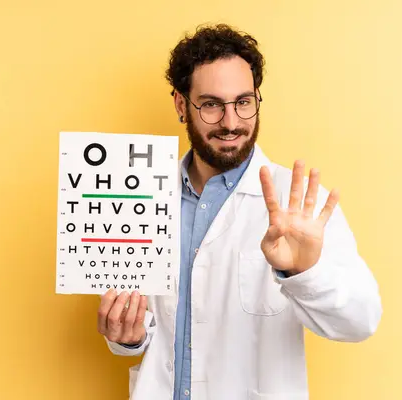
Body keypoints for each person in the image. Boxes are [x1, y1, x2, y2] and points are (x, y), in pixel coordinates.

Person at [97, 23, 382, 400]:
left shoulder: (296, 205)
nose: (231, 123)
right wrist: (127, 338)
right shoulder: (140, 198)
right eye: (211, 104)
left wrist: (303, 272)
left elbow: (360, 321)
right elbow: (144, 331)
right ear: (182, 105)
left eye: (243, 102)